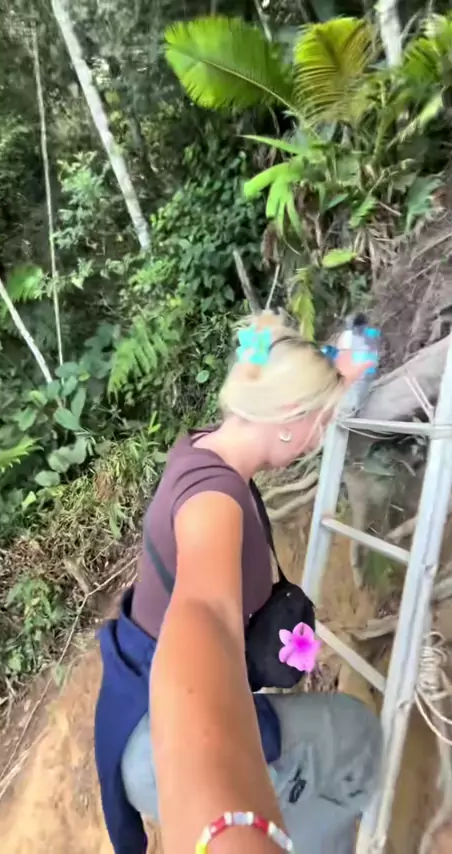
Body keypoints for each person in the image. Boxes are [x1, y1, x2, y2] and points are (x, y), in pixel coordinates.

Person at [95, 311, 382, 854]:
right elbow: (204, 608)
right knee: (356, 737)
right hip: (166, 745)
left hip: (140, 714)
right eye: (323, 422)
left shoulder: (210, 446)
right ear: (289, 419)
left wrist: (342, 369)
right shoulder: (214, 504)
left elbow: (305, 384)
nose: (321, 437)